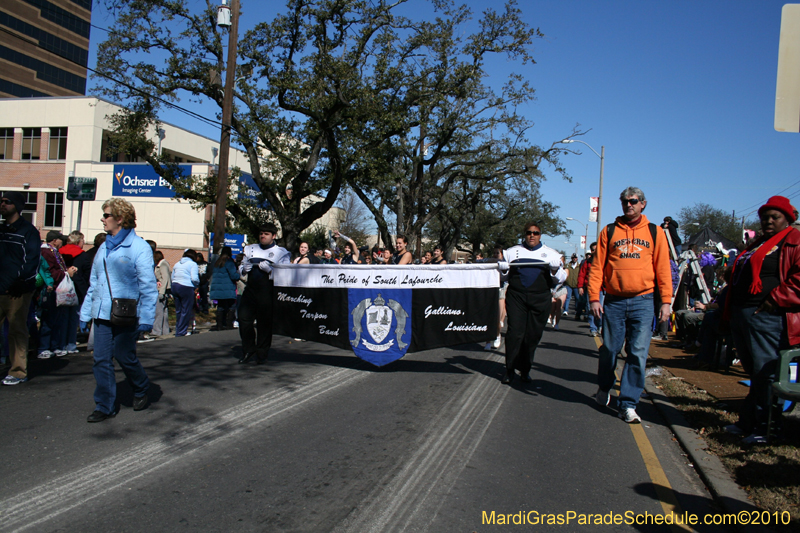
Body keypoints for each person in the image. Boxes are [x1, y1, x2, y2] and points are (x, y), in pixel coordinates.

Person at [589, 186, 672, 424]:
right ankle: (604, 386)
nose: (628, 205)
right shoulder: (610, 231)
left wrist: (666, 301)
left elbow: (663, 270)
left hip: (643, 301)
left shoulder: (655, 233)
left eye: (633, 201)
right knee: (609, 350)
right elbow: (597, 267)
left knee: (637, 353)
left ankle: (628, 404)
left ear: (643, 204)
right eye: (624, 201)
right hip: (614, 301)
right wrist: (594, 297)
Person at [724, 196, 800, 443]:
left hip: (768, 316)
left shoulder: (794, 241)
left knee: (765, 372)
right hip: (743, 314)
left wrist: (776, 298)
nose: (768, 221)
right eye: (765, 216)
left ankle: (768, 429)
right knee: (754, 371)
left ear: (787, 219)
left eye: (775, 217)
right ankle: (749, 422)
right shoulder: (760, 243)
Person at [79, 198, 157, 422]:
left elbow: (148, 286)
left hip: (127, 313)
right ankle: (104, 405)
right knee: (100, 359)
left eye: (106, 215)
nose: (103, 219)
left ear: (120, 219)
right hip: (102, 312)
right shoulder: (104, 245)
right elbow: (95, 281)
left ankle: (141, 386)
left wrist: (146, 317)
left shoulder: (139, 247)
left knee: (124, 356)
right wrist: (86, 313)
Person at [498, 222, 562, 384]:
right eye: (528, 233)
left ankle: (525, 369)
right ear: (524, 234)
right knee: (514, 333)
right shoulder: (511, 252)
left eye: (536, 233)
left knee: (532, 336)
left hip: (540, 298)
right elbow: (503, 278)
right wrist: (503, 269)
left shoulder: (552, 254)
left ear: (540, 235)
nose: (532, 235)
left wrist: (554, 270)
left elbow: (559, 280)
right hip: (517, 297)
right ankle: (509, 369)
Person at [0, 191, 41, 385]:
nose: (2, 204)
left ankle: (18, 371)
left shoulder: (28, 231)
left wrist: (22, 282)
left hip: (17, 291)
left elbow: (32, 260)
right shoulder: (1, 230)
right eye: (1, 201)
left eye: (6, 202)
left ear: (17, 205)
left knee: (17, 330)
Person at [238, 224, 291, 364]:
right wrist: (244, 269)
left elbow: (286, 276)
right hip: (250, 290)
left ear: (273, 236)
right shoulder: (250, 249)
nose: (263, 236)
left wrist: (270, 271)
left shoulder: (281, 252)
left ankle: (262, 353)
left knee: (264, 324)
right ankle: (249, 349)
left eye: (266, 234)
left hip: (268, 291)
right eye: (261, 233)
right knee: (243, 319)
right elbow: (240, 270)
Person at [39, 230, 78, 358]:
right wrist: (66, 273)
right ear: (55, 240)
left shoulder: (54, 252)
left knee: (56, 319)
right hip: (50, 290)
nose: (62, 242)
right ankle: (44, 347)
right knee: (48, 319)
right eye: (60, 239)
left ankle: (54, 345)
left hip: (57, 291)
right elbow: (50, 271)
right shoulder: (45, 252)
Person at [73, 233, 107, 350]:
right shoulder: (95, 254)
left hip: (89, 291)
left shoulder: (89, 254)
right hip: (93, 293)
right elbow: (93, 280)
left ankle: (86, 335)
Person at [58, 230, 85, 354]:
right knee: (73, 319)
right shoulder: (82, 256)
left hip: (60, 289)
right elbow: (86, 275)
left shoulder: (59, 253)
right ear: (79, 241)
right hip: (76, 291)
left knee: (61, 319)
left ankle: (60, 344)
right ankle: (71, 345)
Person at [209, 246, 240, 331]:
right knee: (231, 306)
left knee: (220, 306)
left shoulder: (217, 262)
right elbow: (234, 275)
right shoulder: (229, 262)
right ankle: (229, 324)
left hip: (217, 287)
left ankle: (219, 325)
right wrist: (239, 275)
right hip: (228, 287)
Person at [172, 249, 199, 337]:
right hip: (186, 286)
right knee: (186, 310)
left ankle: (178, 329)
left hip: (175, 285)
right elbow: (194, 278)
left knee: (178, 310)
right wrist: (197, 284)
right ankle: (182, 331)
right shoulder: (193, 264)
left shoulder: (177, 264)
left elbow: (172, 276)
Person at [152, 250, 171, 337]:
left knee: (158, 312)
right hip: (164, 291)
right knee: (164, 312)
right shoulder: (165, 264)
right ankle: (165, 330)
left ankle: (157, 330)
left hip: (161, 291)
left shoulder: (162, 265)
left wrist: (161, 292)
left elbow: (165, 278)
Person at [547, 261, 568, 330]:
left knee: (559, 307)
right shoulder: (549, 272)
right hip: (552, 290)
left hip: (561, 290)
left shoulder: (564, 271)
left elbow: (561, 282)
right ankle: (552, 318)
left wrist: (555, 289)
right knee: (552, 307)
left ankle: (557, 323)